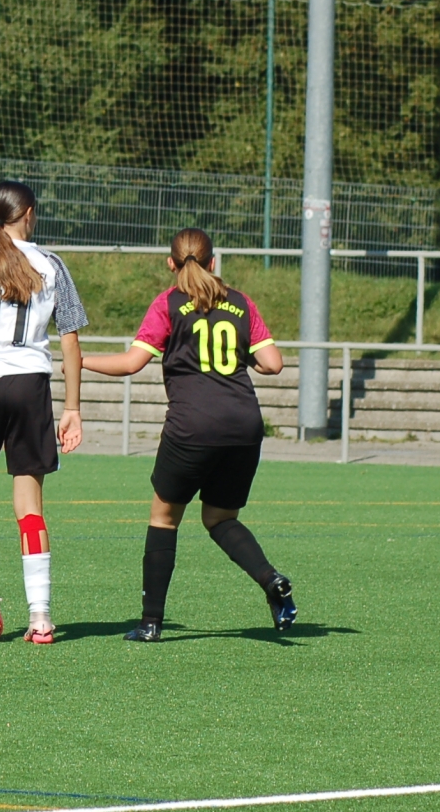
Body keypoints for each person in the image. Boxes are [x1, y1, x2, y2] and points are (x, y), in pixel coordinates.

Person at [82, 228, 293, 640]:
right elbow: (273, 363)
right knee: (219, 518)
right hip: (244, 426)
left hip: (192, 427)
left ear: (171, 263)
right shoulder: (240, 301)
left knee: (164, 518)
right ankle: (270, 580)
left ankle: (150, 623)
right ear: (213, 262)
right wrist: (243, 355)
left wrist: (80, 360)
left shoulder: (168, 303)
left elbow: (131, 363)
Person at [0, 181, 86, 644]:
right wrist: (72, 407)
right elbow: (70, 342)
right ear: (28, 213)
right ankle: (40, 617)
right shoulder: (51, 264)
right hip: (30, 386)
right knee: (30, 508)